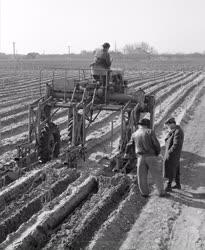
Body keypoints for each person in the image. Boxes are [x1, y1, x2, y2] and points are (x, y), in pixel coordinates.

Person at [126, 118, 167, 198]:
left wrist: (126, 153)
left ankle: (144, 193)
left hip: (140, 158)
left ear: (139, 125)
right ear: (147, 125)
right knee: (157, 175)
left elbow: (129, 145)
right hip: (151, 156)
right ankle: (161, 192)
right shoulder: (149, 131)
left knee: (141, 176)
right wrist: (157, 152)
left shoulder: (134, 134)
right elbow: (156, 143)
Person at [163, 117, 184, 192]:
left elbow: (176, 145)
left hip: (173, 154)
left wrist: (169, 152)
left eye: (168, 125)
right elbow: (167, 140)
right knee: (176, 168)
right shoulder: (173, 131)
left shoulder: (178, 131)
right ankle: (178, 184)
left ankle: (169, 186)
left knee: (170, 169)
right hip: (174, 154)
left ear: (172, 123)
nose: (168, 127)